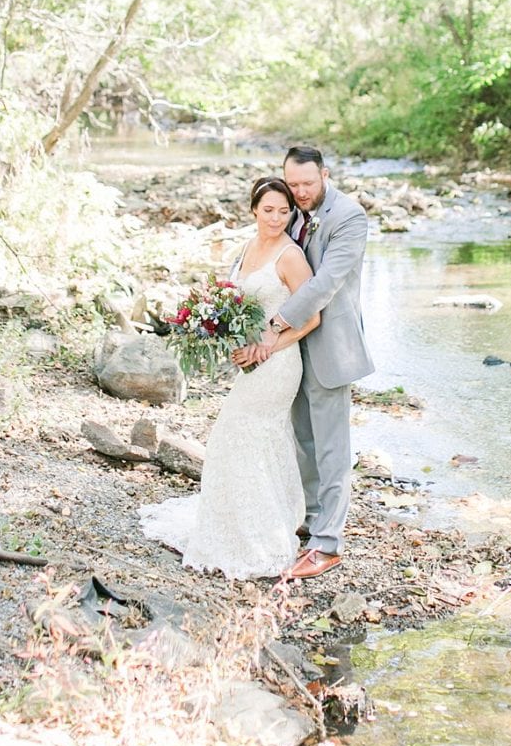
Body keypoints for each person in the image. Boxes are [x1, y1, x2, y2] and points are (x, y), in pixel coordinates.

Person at [137, 177, 321, 579]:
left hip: (279, 363)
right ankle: (243, 521)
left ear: (291, 214)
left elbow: (312, 317)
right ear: (254, 210)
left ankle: (262, 531)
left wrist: (269, 345)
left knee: (243, 435)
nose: (276, 218)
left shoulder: (291, 257)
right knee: (244, 438)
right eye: (268, 209)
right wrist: (224, 334)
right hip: (250, 360)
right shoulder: (246, 249)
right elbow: (236, 304)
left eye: (284, 211)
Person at [246, 144, 374, 581]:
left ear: (325, 174)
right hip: (291, 349)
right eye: (293, 183)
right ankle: (312, 518)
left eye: (307, 183)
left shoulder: (350, 217)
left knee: (332, 447)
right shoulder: (293, 210)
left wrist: (276, 323)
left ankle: (328, 544)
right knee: (302, 438)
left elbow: (325, 283)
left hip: (328, 344)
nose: (299, 192)